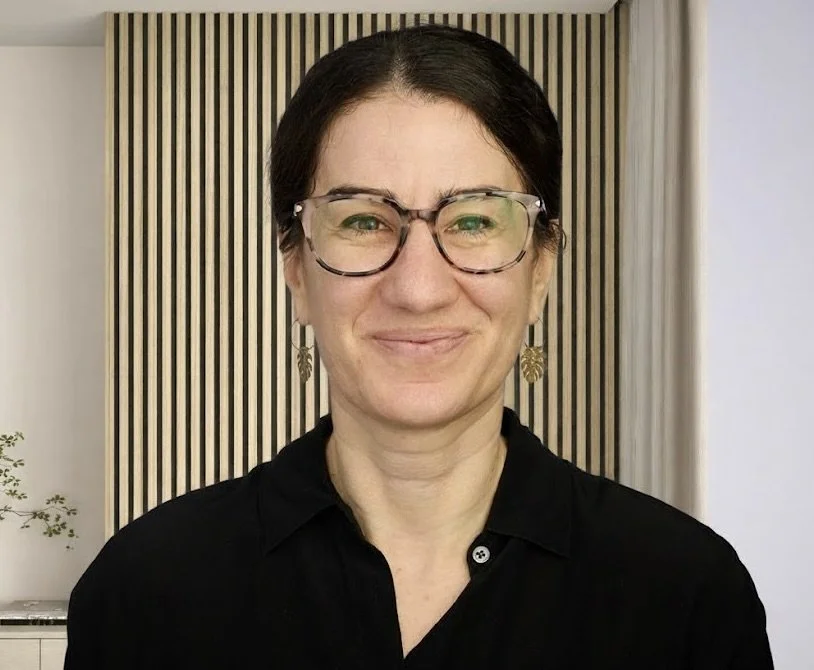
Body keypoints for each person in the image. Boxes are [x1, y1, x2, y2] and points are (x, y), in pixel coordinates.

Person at [65, 24, 773, 669]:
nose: (419, 289)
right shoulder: (145, 590)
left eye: (474, 221)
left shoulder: (685, 592)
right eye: (363, 222)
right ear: (296, 272)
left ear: (541, 270)